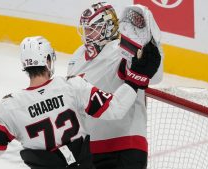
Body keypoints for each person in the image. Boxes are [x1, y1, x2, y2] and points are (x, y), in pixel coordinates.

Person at [0, 35, 158, 169]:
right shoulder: (72, 86)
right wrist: (134, 81)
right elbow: (116, 109)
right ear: (48, 61)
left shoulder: (11, 106)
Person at [67, 2, 163, 169]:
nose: (87, 34)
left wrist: (152, 42)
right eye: (86, 28)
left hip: (126, 144)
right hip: (90, 148)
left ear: (108, 28)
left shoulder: (121, 51)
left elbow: (153, 75)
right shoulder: (78, 55)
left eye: (93, 29)